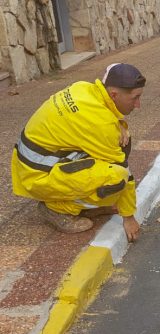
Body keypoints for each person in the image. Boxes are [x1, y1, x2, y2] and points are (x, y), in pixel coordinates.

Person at [11, 63, 145, 241]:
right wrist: (128, 216)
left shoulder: (83, 88)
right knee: (116, 179)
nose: (138, 105)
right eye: (135, 98)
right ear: (114, 95)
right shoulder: (100, 124)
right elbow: (122, 168)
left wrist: (118, 123)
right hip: (38, 176)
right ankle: (57, 208)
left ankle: (83, 203)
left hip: (35, 161)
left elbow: (93, 119)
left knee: (120, 142)